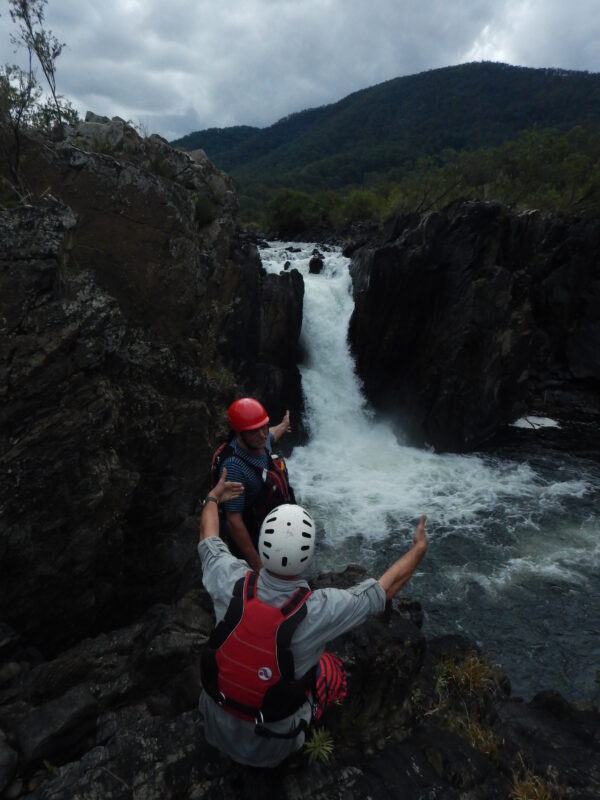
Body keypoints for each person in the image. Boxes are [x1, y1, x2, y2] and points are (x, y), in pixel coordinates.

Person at [197, 468, 428, 768]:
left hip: (215, 726)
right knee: (329, 670)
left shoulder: (228, 578)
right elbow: (383, 591)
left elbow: (208, 536)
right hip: (271, 749)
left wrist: (213, 497)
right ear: (307, 555)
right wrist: (419, 549)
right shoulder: (320, 608)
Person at [216, 397, 294, 571]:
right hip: (257, 540)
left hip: (273, 528)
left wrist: (283, 424)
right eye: (253, 431)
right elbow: (234, 521)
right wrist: (258, 565)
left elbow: (271, 435)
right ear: (239, 433)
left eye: (264, 427)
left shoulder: (259, 441)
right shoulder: (234, 467)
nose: (262, 435)